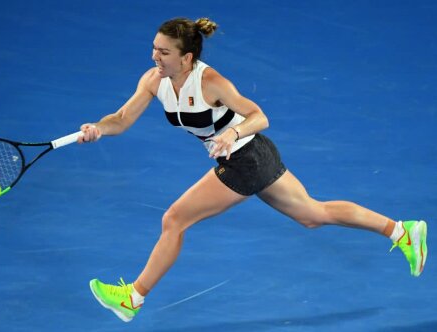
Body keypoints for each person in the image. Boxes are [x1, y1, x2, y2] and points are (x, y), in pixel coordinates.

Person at [78, 17, 428, 322]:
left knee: (174, 219)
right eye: (154, 48)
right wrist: (98, 127)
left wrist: (232, 132)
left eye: (164, 52)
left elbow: (259, 116)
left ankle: (133, 298)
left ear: (187, 58)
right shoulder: (154, 80)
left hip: (245, 158)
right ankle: (401, 231)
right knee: (312, 213)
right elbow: (122, 119)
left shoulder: (211, 82)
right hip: (253, 158)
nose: (155, 56)